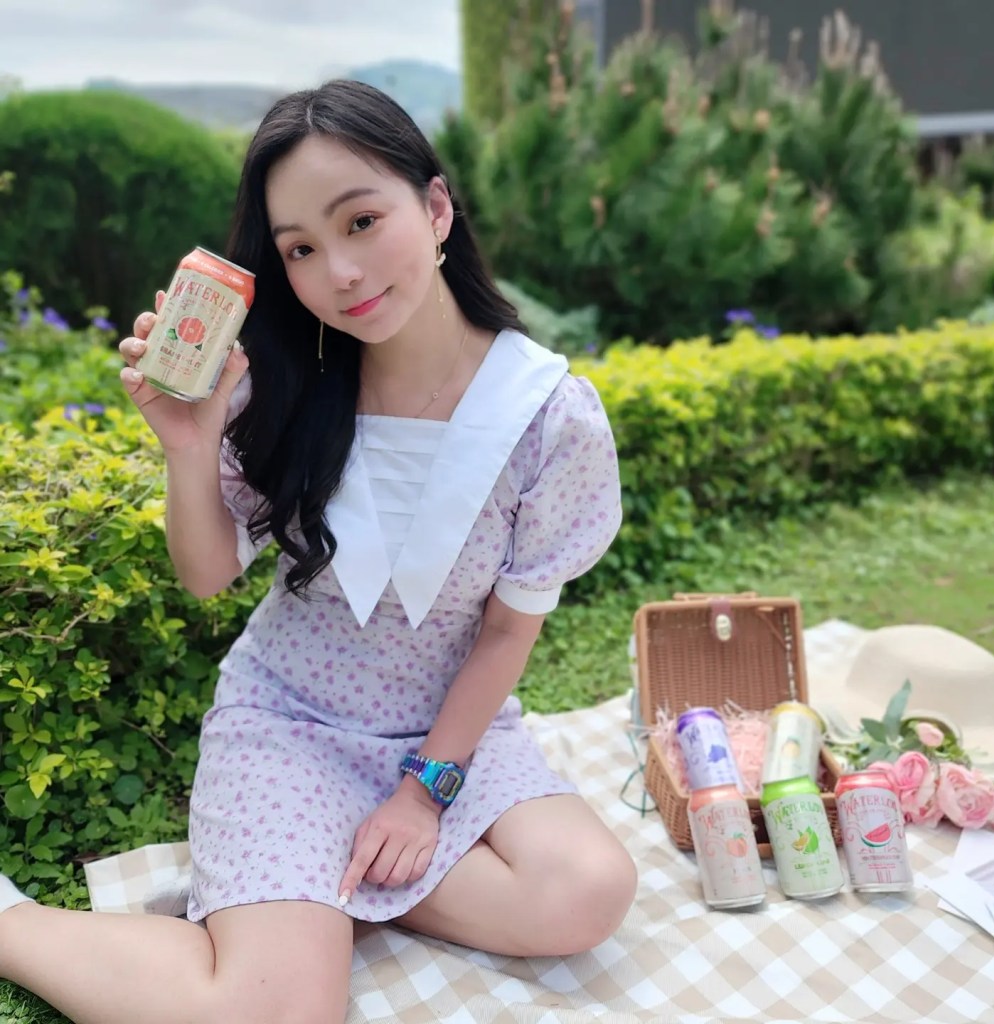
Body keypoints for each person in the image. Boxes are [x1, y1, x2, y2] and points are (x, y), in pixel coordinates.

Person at [0, 79, 636, 1023]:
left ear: (436, 207)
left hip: (443, 734)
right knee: (281, 1012)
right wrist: (189, 445)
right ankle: (13, 921)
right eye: (300, 248)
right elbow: (209, 576)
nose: (339, 271)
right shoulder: (286, 392)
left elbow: (506, 634)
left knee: (586, 892)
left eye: (362, 221)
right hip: (288, 726)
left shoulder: (549, 417)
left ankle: (319, 876)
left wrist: (423, 796)